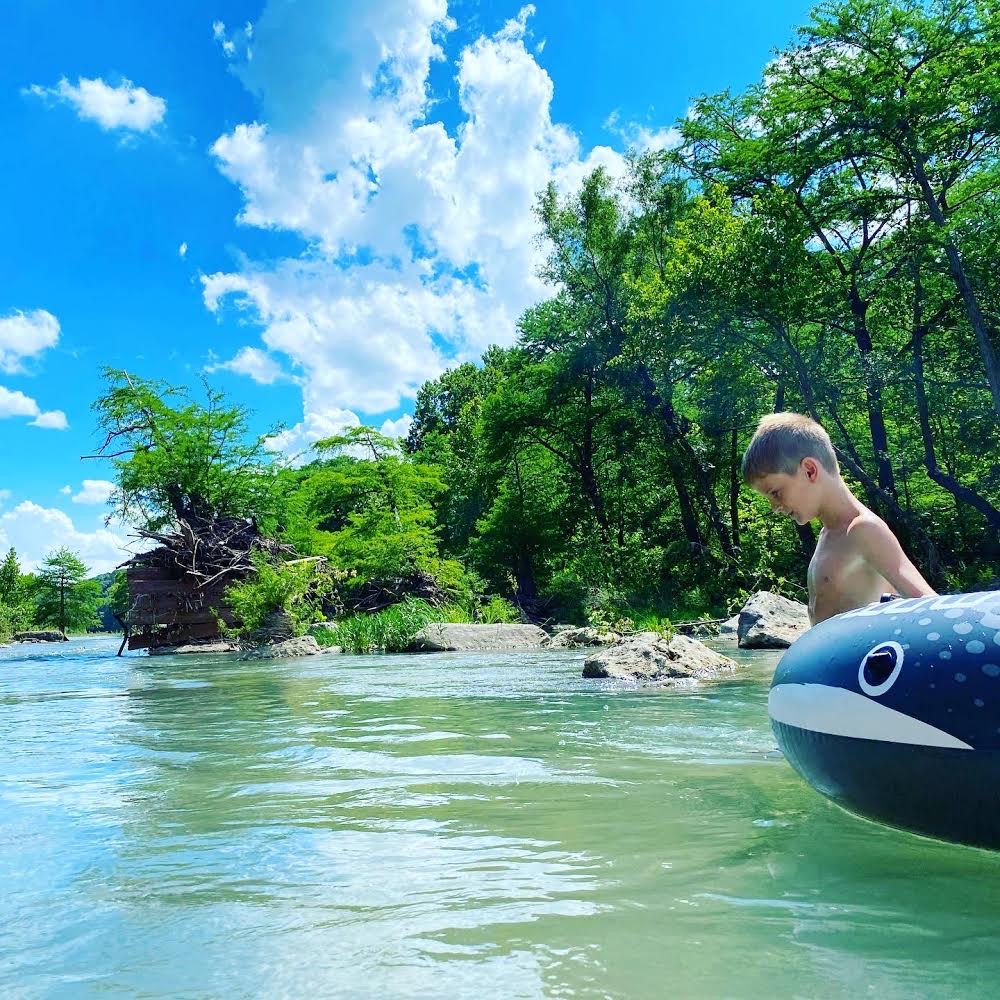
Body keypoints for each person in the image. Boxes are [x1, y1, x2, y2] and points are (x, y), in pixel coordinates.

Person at [742, 412, 936, 625]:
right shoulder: (830, 533)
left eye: (775, 492)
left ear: (809, 470)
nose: (774, 507)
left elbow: (928, 604)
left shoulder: (863, 529)